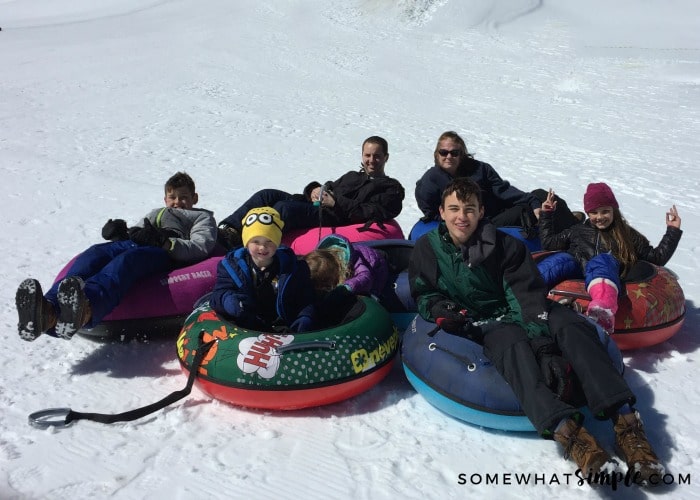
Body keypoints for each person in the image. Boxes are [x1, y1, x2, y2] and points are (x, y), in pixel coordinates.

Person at [408, 177, 665, 485]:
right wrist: (439, 308)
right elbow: (424, 292)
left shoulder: (505, 245)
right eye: (454, 209)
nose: (461, 216)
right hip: (485, 320)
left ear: (481, 212)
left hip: (528, 308)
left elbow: (525, 294)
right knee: (512, 347)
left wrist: (540, 338)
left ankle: (627, 427)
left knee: (572, 328)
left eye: (469, 209)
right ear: (441, 211)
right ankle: (575, 440)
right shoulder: (427, 249)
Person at [15, 172, 217, 341]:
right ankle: (48, 309)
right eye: (172, 197)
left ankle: (86, 308)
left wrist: (165, 242)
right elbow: (138, 231)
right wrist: (121, 233)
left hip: (164, 252)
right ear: (165, 199)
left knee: (127, 262)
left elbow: (200, 247)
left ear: (194, 198)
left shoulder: (202, 217)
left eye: (184, 197)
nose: (177, 202)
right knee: (95, 253)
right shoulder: (158, 213)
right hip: (137, 243)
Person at [538, 183, 682, 333]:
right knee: (562, 259)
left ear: (614, 210)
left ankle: (602, 311)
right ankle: (523, 289)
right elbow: (549, 243)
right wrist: (546, 215)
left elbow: (656, 258)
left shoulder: (627, 235)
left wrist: (672, 230)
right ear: (588, 213)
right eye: (594, 212)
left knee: (603, 260)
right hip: (577, 270)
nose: (599, 217)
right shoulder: (578, 230)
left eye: (605, 211)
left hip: (605, 274)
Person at [217, 136, 405, 249]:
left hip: (336, 216)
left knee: (283, 209)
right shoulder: (352, 176)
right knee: (267, 195)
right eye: (368, 155)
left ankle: (250, 245)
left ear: (386, 158)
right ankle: (229, 231)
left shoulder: (391, 188)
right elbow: (329, 186)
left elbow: (371, 212)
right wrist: (314, 190)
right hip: (316, 205)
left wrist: (336, 202)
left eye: (377, 156)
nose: (372, 160)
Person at [414, 131, 581, 235]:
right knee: (523, 212)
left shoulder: (480, 169)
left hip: (498, 213)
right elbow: (428, 209)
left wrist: (534, 202)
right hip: (479, 223)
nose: (448, 156)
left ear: (462, 154)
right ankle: (571, 230)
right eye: (444, 152)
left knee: (539, 195)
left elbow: (504, 191)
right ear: (437, 154)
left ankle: (575, 226)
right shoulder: (431, 179)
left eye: (454, 153)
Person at [209, 207, 316, 333]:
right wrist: (228, 300)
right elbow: (218, 294)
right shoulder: (231, 266)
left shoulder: (293, 267)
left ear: (277, 242)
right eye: (255, 241)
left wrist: (305, 316)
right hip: (246, 326)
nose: (262, 247)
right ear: (246, 242)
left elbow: (306, 297)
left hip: (283, 325)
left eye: (269, 241)